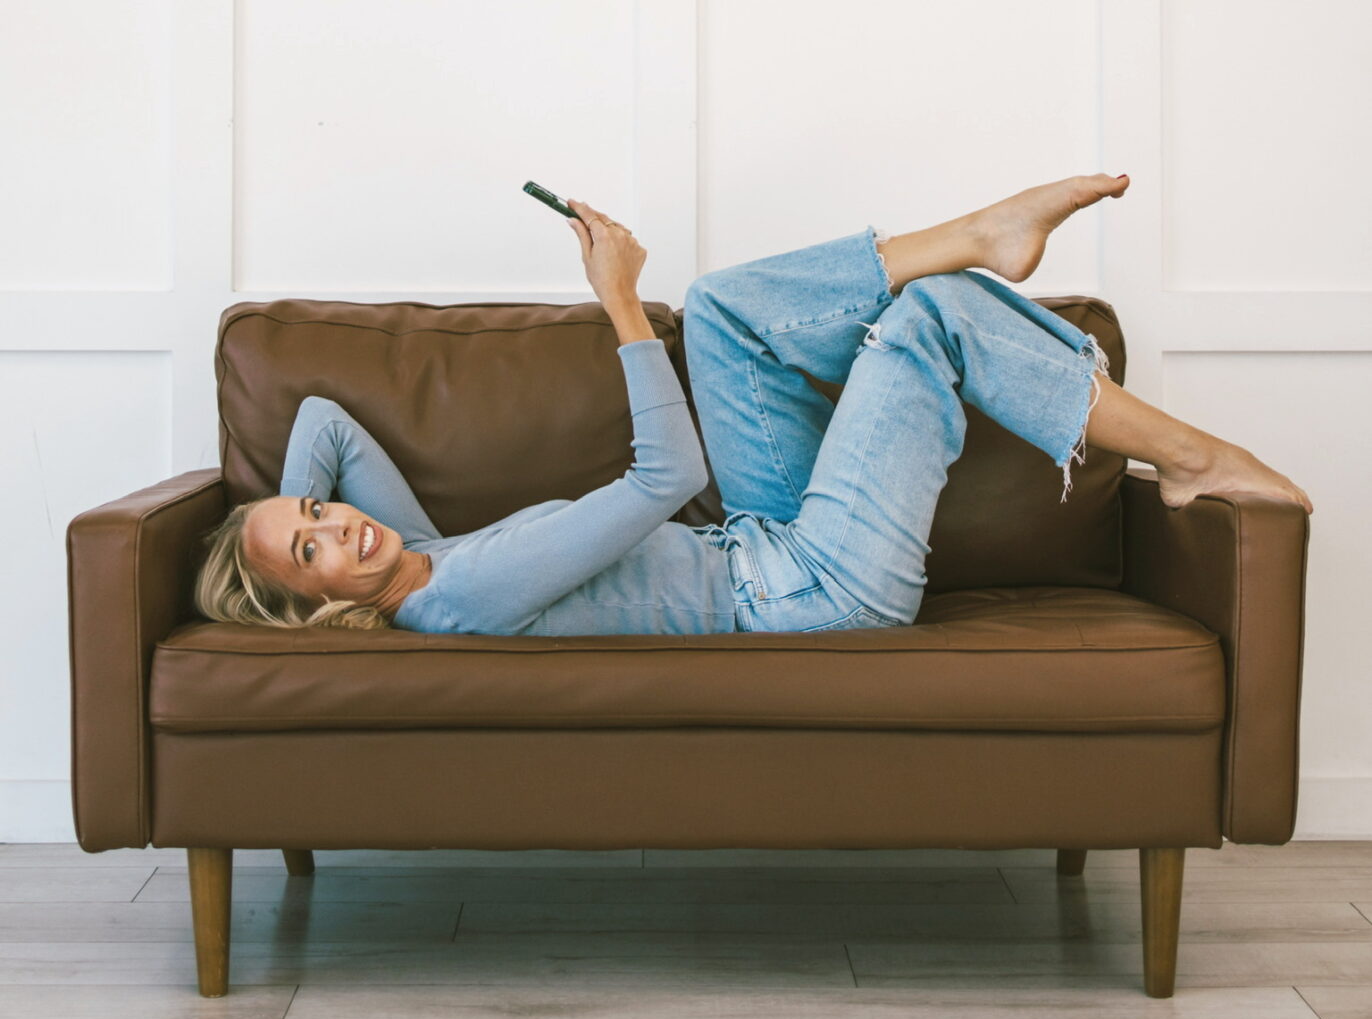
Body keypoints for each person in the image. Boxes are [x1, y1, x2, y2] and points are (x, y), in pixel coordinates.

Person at [193, 173, 1311, 637]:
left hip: (769, 541)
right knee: (932, 322)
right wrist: (620, 301)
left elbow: (327, 424)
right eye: (317, 550)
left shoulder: (423, 557)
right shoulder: (463, 594)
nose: (338, 522)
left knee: (726, 307)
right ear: (324, 610)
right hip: (818, 588)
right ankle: (1198, 455)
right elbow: (665, 481)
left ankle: (972, 241)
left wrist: (279, 526)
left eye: (318, 515)